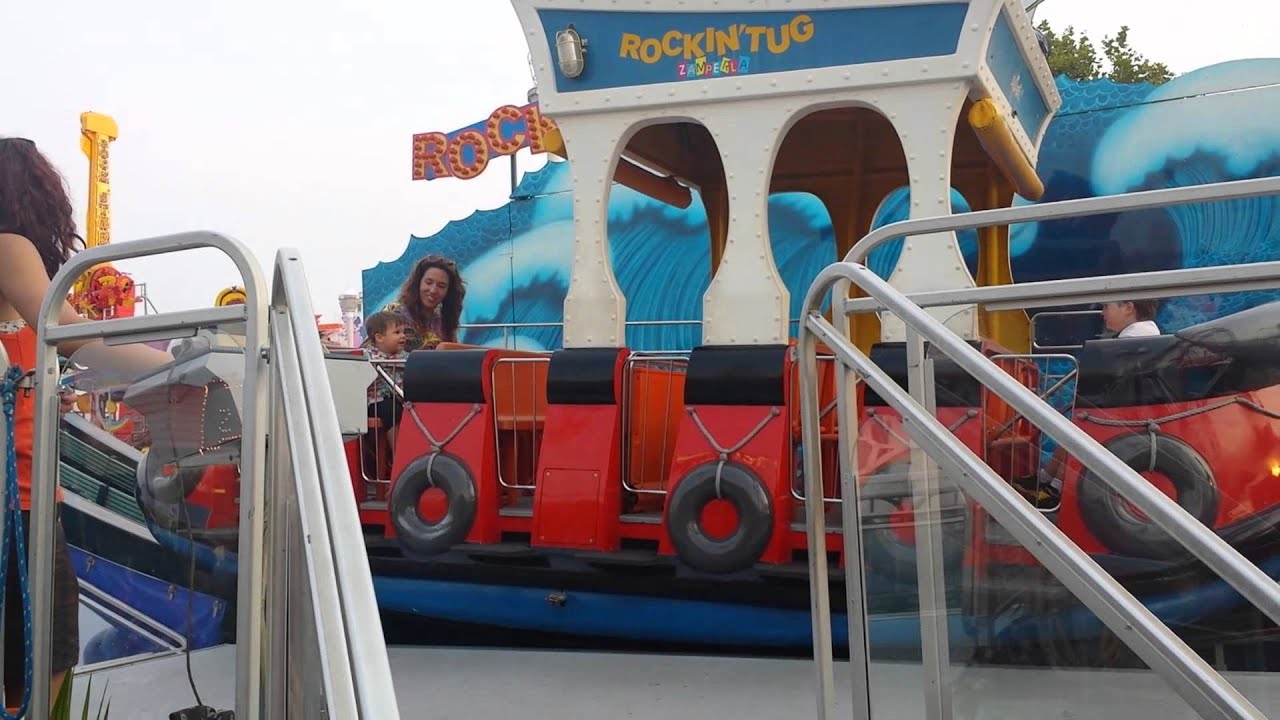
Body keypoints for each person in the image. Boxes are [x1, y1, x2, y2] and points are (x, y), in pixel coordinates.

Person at [0, 137, 171, 707]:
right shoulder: (8, 246)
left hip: (26, 491)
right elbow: (78, 337)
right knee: (44, 658)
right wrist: (178, 368)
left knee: (34, 657)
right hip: (17, 500)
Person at [385, 254, 466, 352]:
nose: (433, 290)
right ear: (418, 283)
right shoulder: (395, 313)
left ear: (449, 291)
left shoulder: (444, 321)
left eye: (441, 286)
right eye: (428, 282)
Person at [363, 311, 408, 451]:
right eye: (397, 332)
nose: (403, 336)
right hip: (376, 402)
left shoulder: (405, 356)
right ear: (379, 338)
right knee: (392, 410)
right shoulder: (368, 355)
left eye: (404, 332)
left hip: (400, 399)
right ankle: (399, 452)